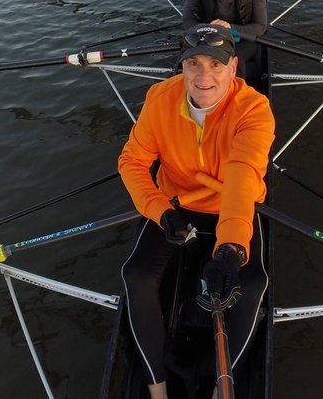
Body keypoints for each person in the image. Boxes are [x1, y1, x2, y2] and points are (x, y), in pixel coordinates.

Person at [118, 24, 274, 399]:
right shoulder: (160, 98)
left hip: (230, 207)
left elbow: (241, 177)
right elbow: (132, 162)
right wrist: (161, 211)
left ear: (233, 68)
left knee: (252, 285)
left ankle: (222, 389)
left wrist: (231, 250)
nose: (204, 77)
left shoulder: (254, 109)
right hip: (177, 206)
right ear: (181, 68)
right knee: (136, 275)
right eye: (193, 65)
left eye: (215, 66)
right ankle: (158, 391)